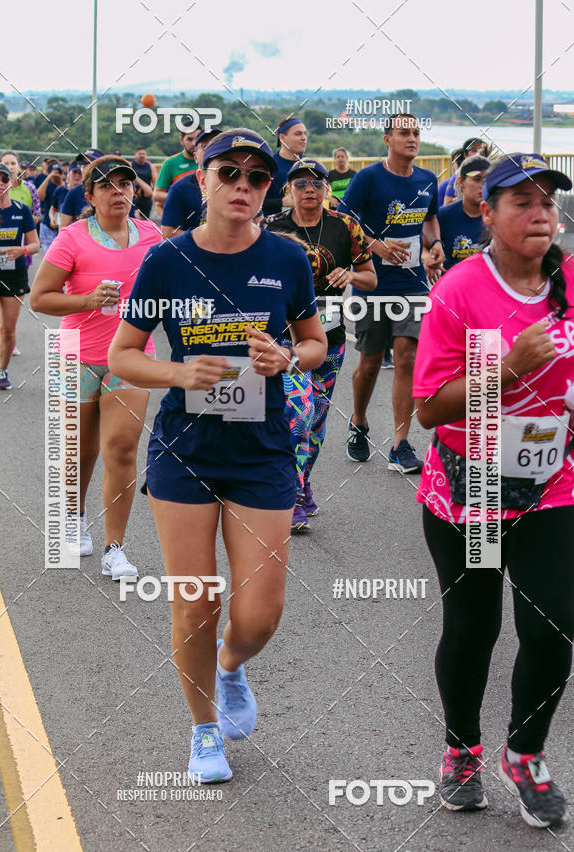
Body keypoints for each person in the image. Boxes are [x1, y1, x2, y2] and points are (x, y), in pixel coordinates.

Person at [108, 128, 326, 782]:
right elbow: (122, 355)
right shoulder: (167, 261)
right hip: (186, 449)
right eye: (227, 172)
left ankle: (231, 666)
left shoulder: (287, 259)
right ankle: (204, 729)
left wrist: (288, 356)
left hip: (262, 451)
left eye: (257, 178)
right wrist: (178, 374)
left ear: (269, 189)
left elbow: (315, 343)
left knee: (260, 613)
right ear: (200, 180)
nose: (242, 186)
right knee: (196, 602)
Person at [414, 153, 574, 827]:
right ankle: (462, 751)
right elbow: (429, 407)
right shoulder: (460, 289)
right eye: (523, 202)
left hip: (553, 483)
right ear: (487, 213)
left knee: (553, 628)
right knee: (474, 628)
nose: (541, 213)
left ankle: (526, 753)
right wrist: (507, 369)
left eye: (549, 201)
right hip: (473, 485)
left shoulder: (569, 279)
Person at [30, 156, 162, 579]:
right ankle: (74, 517)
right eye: (107, 186)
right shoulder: (71, 238)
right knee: (78, 451)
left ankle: (114, 548)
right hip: (74, 352)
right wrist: (87, 301)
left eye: (126, 184)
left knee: (121, 448)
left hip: (131, 356)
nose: (118, 191)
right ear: (89, 196)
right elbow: (40, 298)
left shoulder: (152, 236)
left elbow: (170, 289)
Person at [265, 158, 376, 531]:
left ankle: (301, 481)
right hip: (284, 339)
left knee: (316, 420)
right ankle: (290, 496)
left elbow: (371, 278)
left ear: (327, 188)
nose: (309, 189)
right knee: (297, 414)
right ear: (288, 190)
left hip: (330, 338)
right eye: (300, 183)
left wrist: (351, 274)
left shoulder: (345, 226)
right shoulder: (272, 228)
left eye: (316, 183)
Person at [338, 114, 444, 471]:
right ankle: (359, 421)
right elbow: (344, 221)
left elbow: (430, 218)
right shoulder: (368, 178)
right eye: (404, 133)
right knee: (368, 364)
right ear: (387, 139)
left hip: (413, 284)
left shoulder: (428, 179)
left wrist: (436, 243)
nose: (412, 139)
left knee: (407, 357)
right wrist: (375, 246)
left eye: (416, 133)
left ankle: (400, 444)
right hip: (372, 283)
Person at [0, 162, 39, 391]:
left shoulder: (21, 210)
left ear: (10, 182)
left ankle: (2, 369)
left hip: (14, 273)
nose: (0, 184)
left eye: (4, 179)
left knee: (8, 330)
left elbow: (35, 244)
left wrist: (22, 250)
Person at [161, 129, 221, 239]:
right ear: (195, 157)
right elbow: (168, 233)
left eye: (216, 144)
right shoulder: (180, 188)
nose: (211, 149)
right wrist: (207, 240)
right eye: (205, 146)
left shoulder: (235, 184)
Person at [438, 155, 490, 272]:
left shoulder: (496, 216)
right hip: (453, 285)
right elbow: (423, 244)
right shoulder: (444, 215)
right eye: (476, 179)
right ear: (461, 182)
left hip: (486, 285)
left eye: (486, 180)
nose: (482, 185)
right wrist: (427, 258)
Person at [262, 117, 307, 216]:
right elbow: (254, 202)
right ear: (282, 137)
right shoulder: (268, 165)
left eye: (305, 133)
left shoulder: (310, 164)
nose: (304, 138)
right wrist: (282, 202)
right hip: (274, 228)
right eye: (298, 134)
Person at [152, 125, 201, 216]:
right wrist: (181, 197)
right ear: (181, 140)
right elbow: (157, 195)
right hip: (180, 220)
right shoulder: (170, 163)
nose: (194, 143)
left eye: (197, 138)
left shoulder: (208, 161)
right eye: (189, 139)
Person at [59, 149, 105, 228]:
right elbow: (63, 228)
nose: (86, 167)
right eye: (83, 163)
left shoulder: (113, 190)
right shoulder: (74, 192)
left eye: (91, 163)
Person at [444, 138, 490, 206]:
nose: (478, 154)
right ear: (465, 155)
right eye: (474, 151)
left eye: (481, 151)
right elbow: (447, 204)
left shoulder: (491, 170)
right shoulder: (459, 174)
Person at [130, 147, 157, 221]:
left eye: (143, 154)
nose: (142, 155)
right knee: (134, 219)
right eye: (140, 154)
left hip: (146, 197)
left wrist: (154, 193)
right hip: (134, 196)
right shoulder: (130, 165)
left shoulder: (151, 166)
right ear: (135, 155)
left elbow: (156, 183)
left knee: (144, 221)